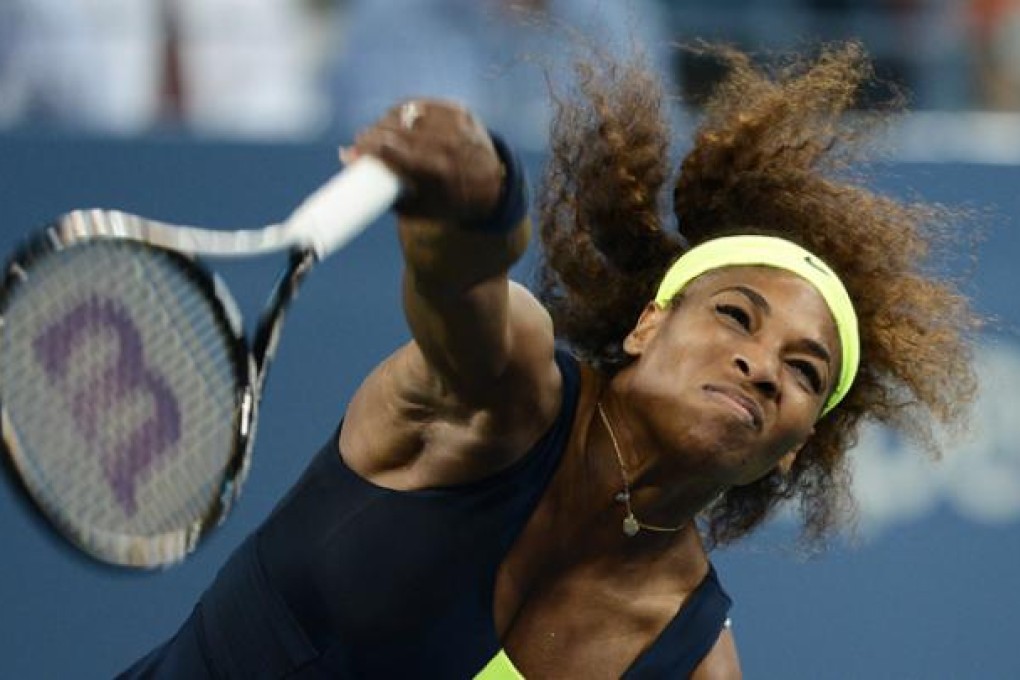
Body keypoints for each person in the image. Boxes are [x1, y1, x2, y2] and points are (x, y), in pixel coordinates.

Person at [119, 41, 978, 679]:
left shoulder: (691, 663)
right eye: (735, 316)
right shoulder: (506, 393)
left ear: (795, 444)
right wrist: (482, 198)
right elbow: (459, 288)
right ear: (648, 325)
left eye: (804, 372)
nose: (762, 366)